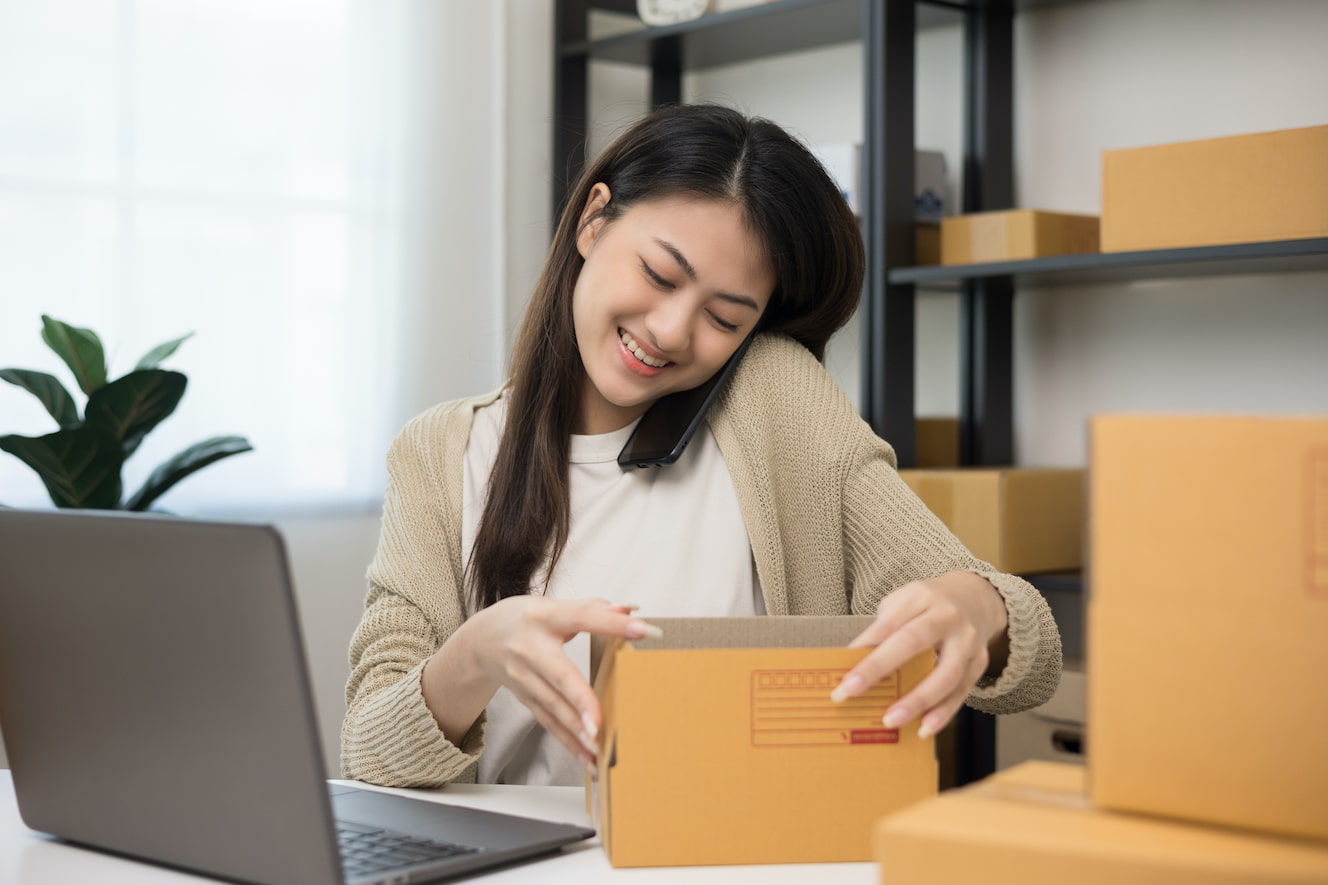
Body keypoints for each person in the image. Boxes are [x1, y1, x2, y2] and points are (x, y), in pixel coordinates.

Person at [342, 103, 1062, 788]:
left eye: (724, 316)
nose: (670, 331)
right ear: (594, 221)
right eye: (659, 275)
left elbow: (1031, 650)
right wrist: (475, 653)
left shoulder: (775, 398)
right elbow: (368, 751)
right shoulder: (440, 451)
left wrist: (977, 608)